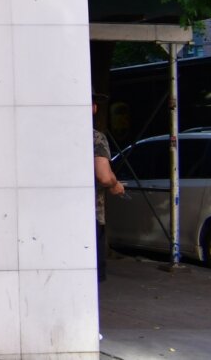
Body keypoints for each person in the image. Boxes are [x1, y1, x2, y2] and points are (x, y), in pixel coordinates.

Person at [92, 93, 125, 281]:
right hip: (91, 217)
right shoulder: (96, 138)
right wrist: (115, 184)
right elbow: (104, 176)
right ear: (93, 108)